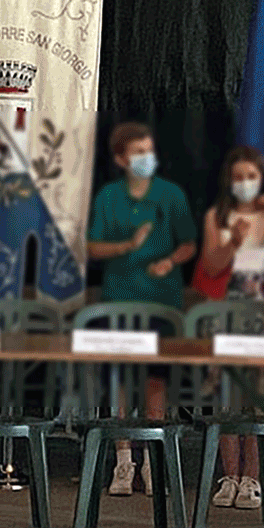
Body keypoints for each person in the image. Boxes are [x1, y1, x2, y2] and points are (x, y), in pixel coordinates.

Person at [87, 122, 197, 497]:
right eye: (137, 153)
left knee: (154, 383)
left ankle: (152, 461)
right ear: (120, 158)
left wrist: (169, 262)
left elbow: (188, 244)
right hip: (120, 299)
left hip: (161, 302)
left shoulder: (171, 194)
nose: (144, 159)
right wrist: (125, 247)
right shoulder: (108, 196)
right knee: (120, 381)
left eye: (148, 152)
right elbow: (93, 247)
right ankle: (122, 463)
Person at [197, 146, 264, 510]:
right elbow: (212, 262)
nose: (245, 183)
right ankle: (228, 475)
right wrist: (233, 240)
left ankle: (252, 477)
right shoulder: (216, 217)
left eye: (251, 176)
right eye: (239, 177)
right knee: (226, 394)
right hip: (225, 311)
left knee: (255, 398)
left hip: (262, 313)